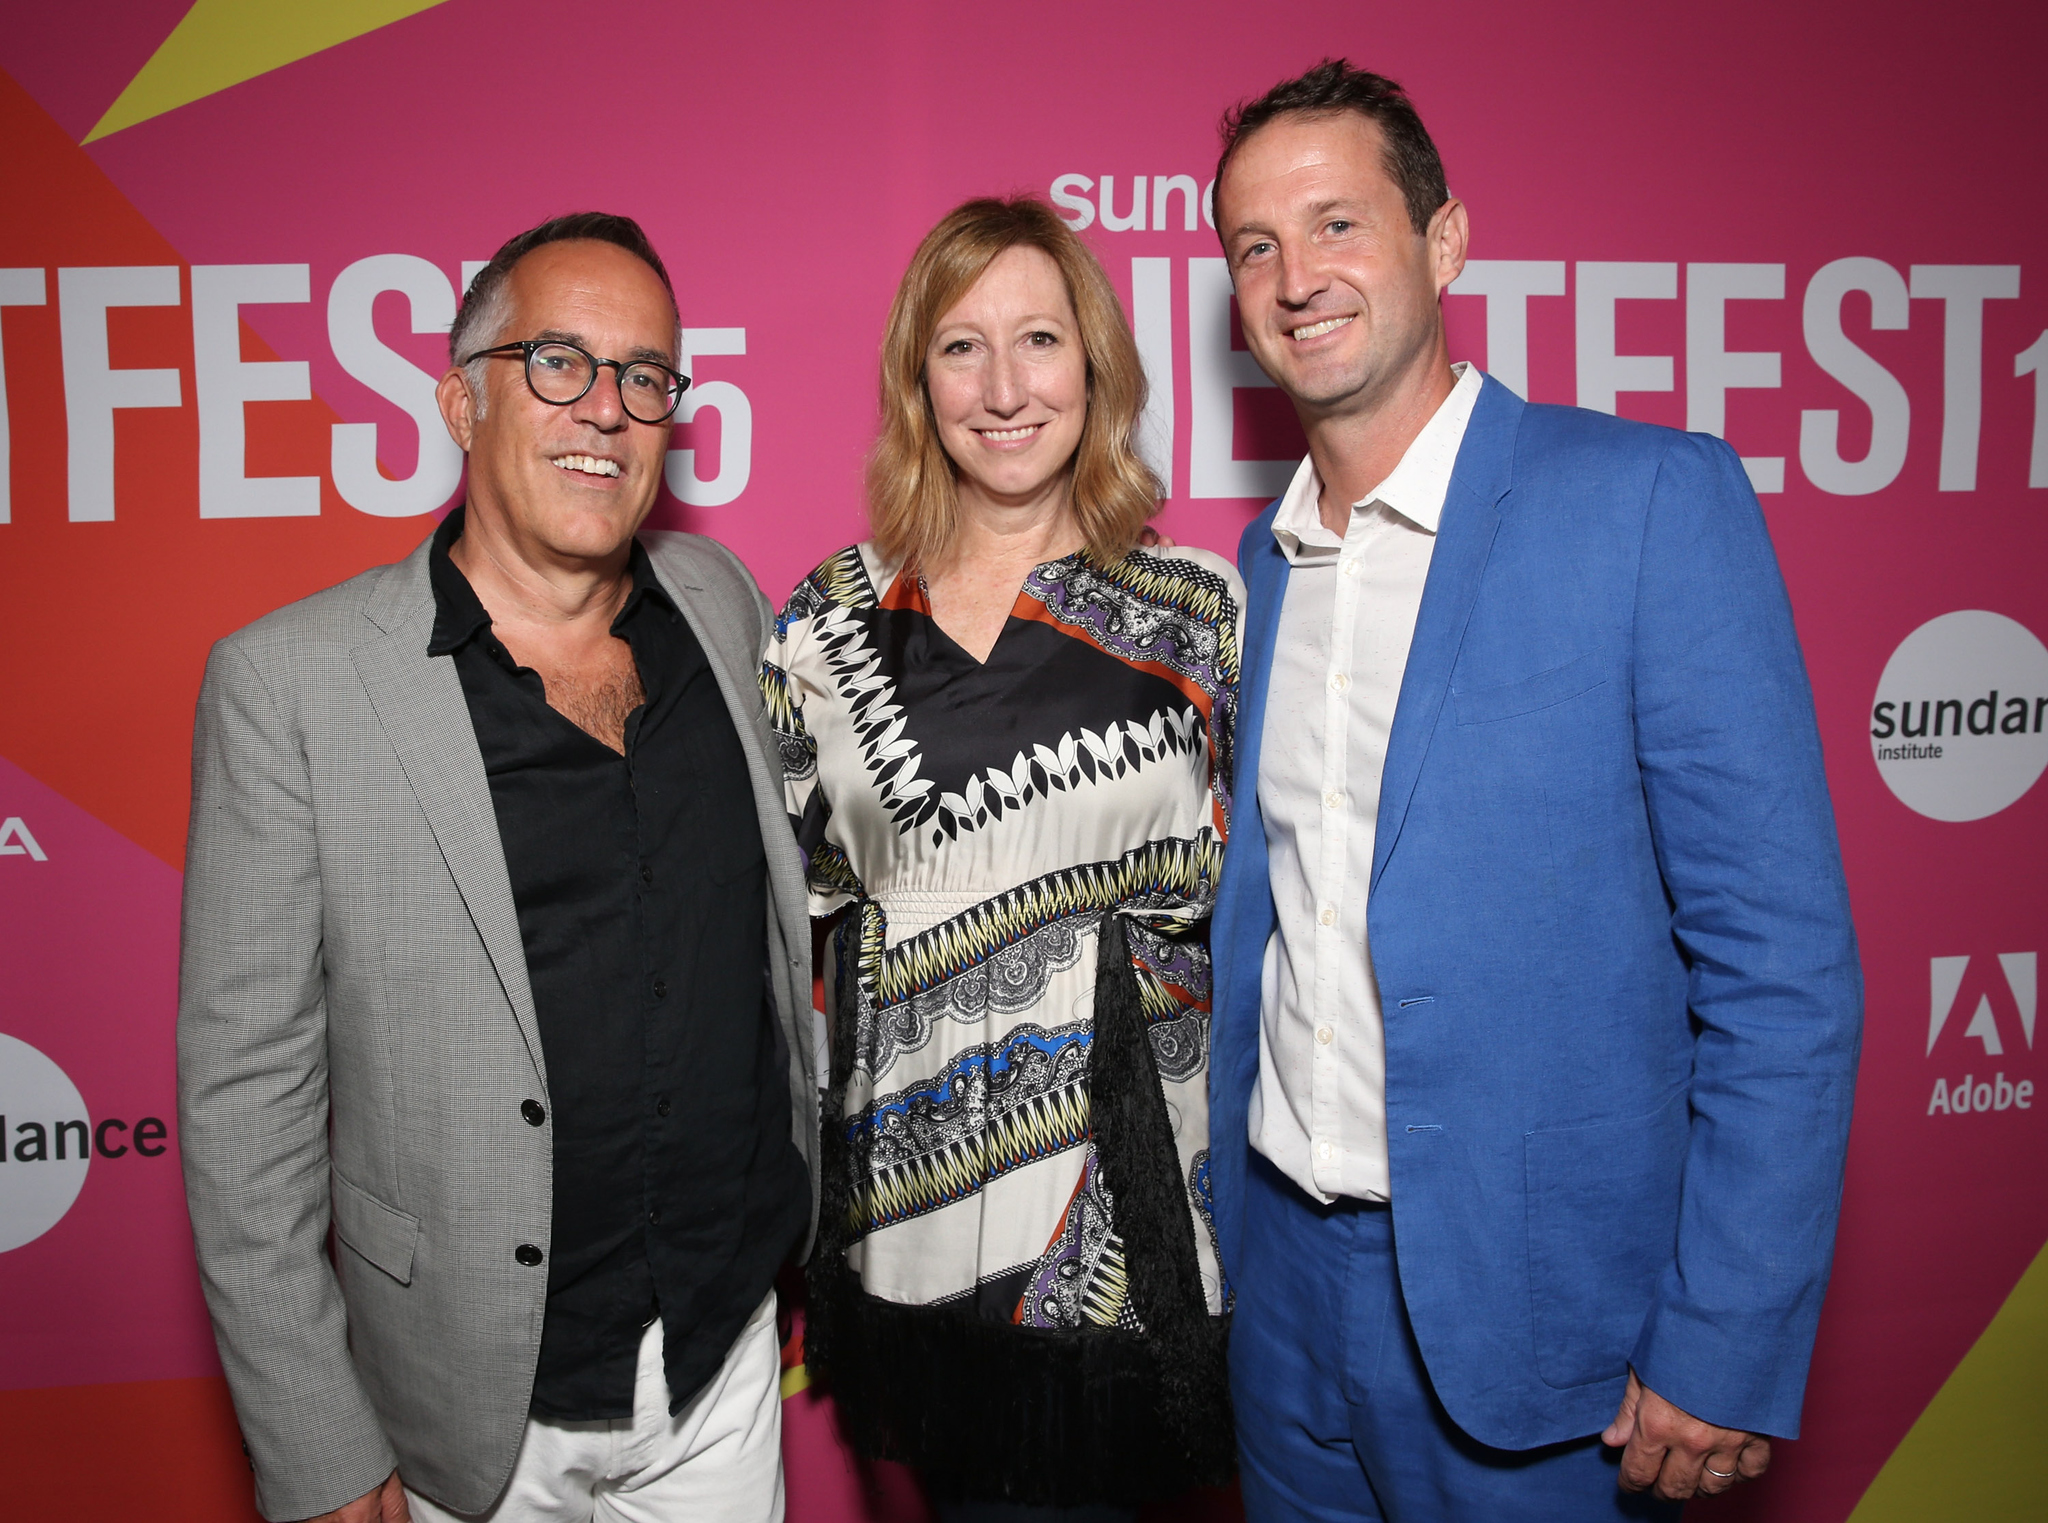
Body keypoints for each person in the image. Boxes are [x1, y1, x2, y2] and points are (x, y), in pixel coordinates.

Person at [1203, 61, 1863, 1522]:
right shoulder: (1250, 573)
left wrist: (1729, 1337)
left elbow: (1783, 970)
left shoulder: (1643, 504)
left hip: (1544, 1332)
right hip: (1279, 1307)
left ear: (1444, 243)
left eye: (1336, 225)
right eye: (1256, 245)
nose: (1296, 276)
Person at [177, 213, 816, 1523]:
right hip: (467, 1423)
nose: (608, 411)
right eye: (560, 363)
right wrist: (319, 1449)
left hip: (719, 1373)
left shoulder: (720, 600)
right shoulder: (291, 683)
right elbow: (248, 1109)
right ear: (461, 399)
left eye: (646, 376)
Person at [764, 197, 1243, 1520]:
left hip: (1124, 1228)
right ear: (917, 380)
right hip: (909, 1217)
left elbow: (1288, 912)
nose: (1006, 386)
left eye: (1040, 337)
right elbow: (763, 923)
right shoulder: (826, 624)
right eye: (962, 346)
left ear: (1096, 366)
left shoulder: (1197, 612)